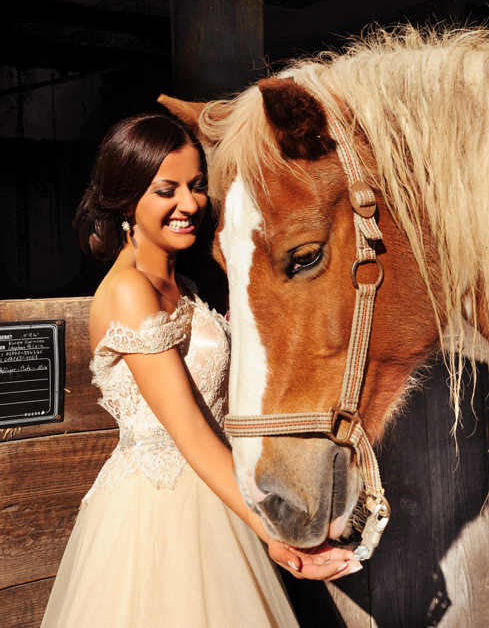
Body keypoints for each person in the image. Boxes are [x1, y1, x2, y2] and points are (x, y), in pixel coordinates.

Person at [42, 112, 361, 628]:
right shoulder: (128, 291)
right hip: (160, 512)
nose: (189, 205)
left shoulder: (184, 285)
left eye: (195, 187)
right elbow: (188, 427)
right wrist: (274, 532)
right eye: (166, 190)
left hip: (217, 492)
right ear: (127, 200)